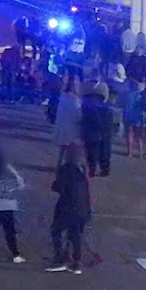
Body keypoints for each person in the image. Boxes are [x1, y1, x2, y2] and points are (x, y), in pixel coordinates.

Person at [46, 144, 91, 275]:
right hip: (82, 208)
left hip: (67, 207)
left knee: (56, 231)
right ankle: (76, 263)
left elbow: (58, 186)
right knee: (75, 235)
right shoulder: (81, 171)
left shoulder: (65, 169)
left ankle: (60, 260)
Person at [80, 78, 112, 176]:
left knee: (93, 151)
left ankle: (93, 169)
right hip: (102, 132)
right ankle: (103, 168)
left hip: (93, 132)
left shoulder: (87, 105)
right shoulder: (105, 107)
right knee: (103, 151)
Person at [52, 79, 82, 169]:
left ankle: (59, 163)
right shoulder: (75, 100)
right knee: (71, 148)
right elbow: (77, 115)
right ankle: (69, 166)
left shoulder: (62, 97)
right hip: (71, 127)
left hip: (62, 125)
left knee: (62, 148)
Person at [121, 80, 145, 158]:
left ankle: (129, 153)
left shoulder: (126, 95)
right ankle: (140, 154)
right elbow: (144, 107)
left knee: (129, 134)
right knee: (138, 136)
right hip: (137, 117)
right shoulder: (140, 96)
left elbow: (120, 104)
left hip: (128, 116)